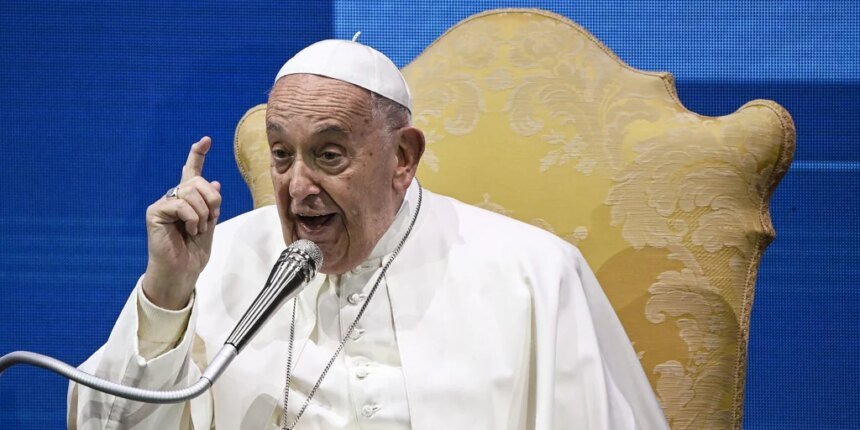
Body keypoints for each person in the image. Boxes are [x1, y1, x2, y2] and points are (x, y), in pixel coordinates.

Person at [68, 39, 668, 430]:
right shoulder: (215, 261)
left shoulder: (533, 274)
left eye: (328, 155)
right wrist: (167, 295)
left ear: (403, 158)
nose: (298, 187)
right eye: (281, 154)